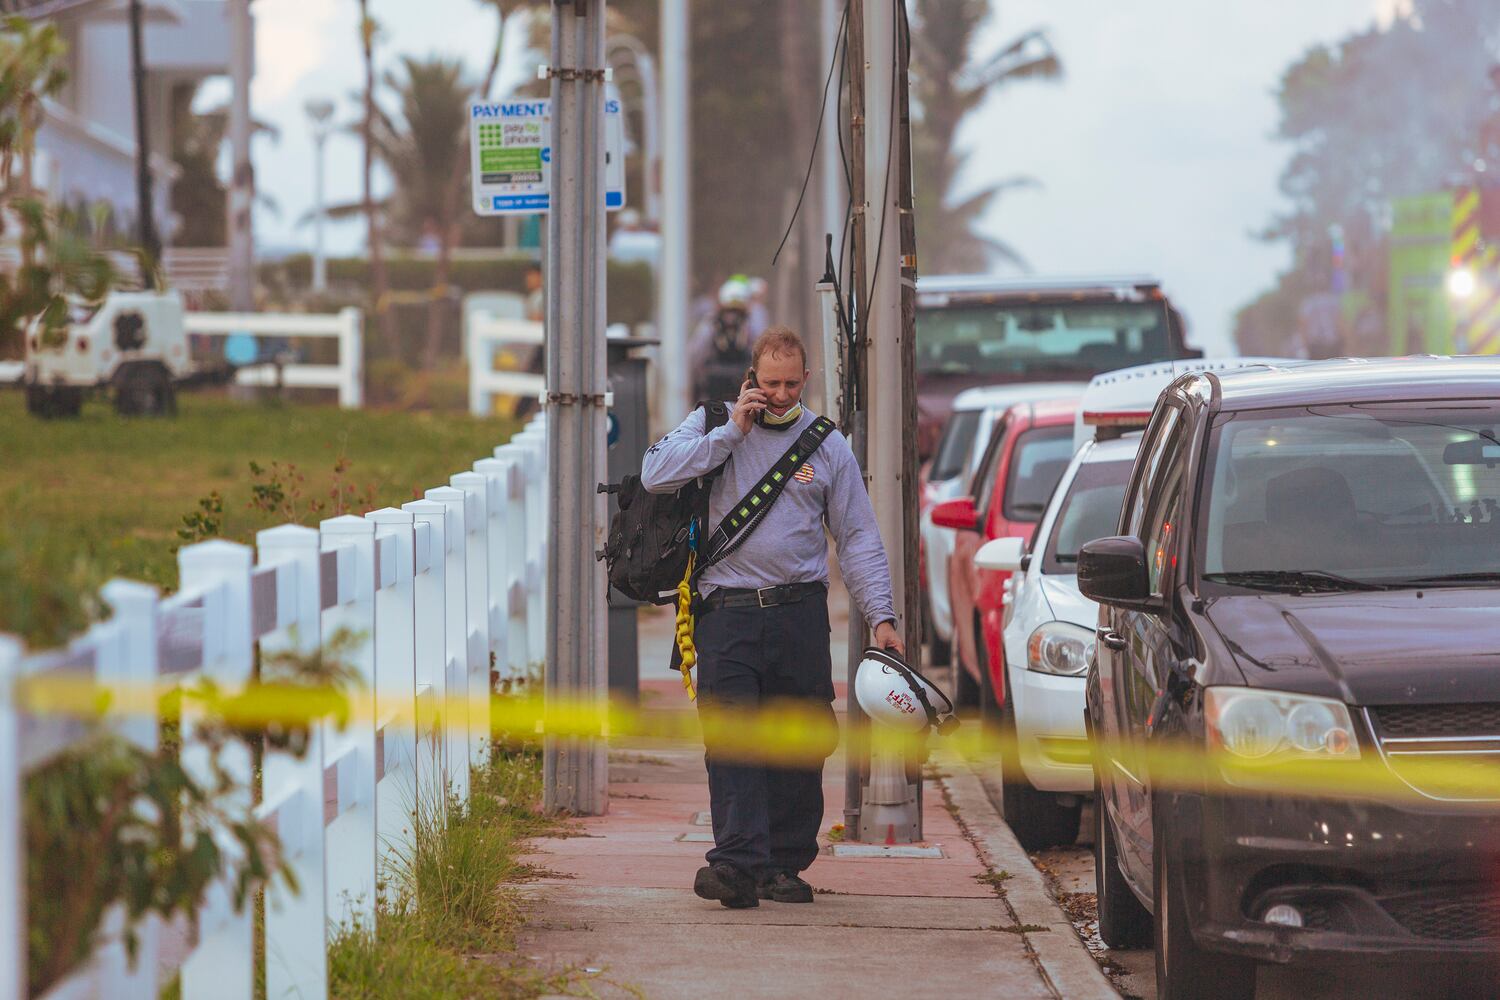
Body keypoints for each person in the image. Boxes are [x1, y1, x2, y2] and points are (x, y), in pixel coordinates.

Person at [641, 326, 904, 909]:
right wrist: (731, 434)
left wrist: (881, 617)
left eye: (790, 384)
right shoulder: (711, 422)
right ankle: (735, 863)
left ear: (806, 379)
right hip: (726, 613)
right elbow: (654, 473)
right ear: (750, 379)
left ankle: (784, 865)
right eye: (769, 383)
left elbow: (857, 537)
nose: (780, 395)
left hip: (799, 614)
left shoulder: (827, 445)